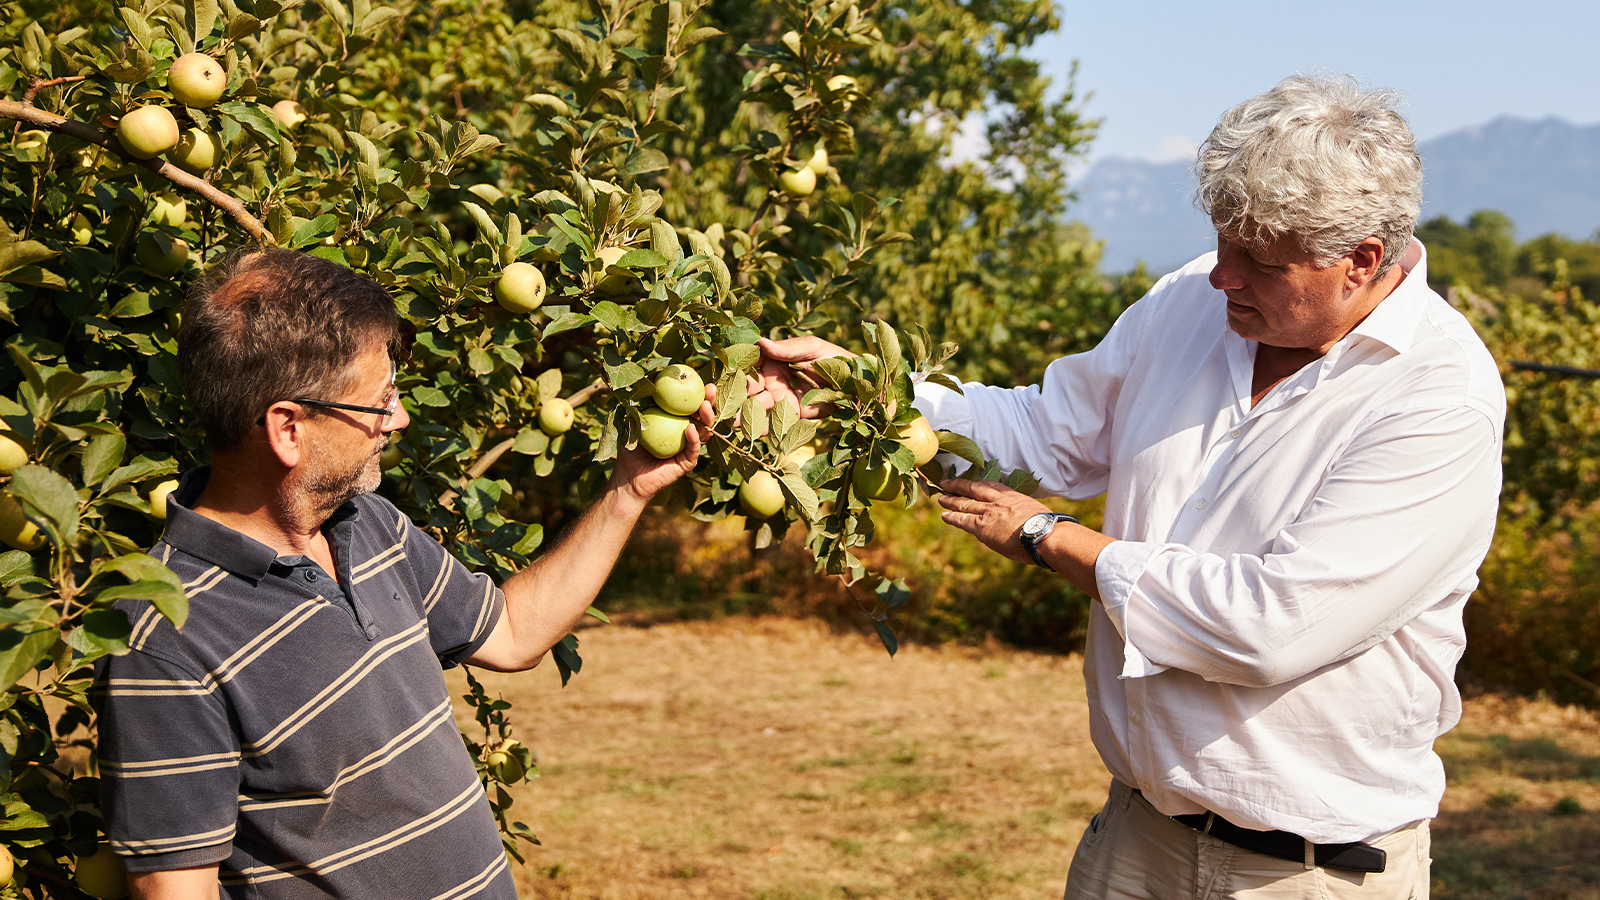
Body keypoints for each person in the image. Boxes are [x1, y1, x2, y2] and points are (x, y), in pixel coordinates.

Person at [757, 75, 1504, 898]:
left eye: (1256, 260)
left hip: (1308, 875)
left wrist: (1051, 539)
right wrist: (868, 395)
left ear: (1360, 261)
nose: (1222, 277)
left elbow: (1270, 628)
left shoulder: (1438, 398)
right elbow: (1047, 434)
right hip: (1137, 837)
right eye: (1222, 243)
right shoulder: (1190, 301)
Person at [93, 248, 707, 899]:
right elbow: (176, 893)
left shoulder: (367, 525)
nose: (400, 418)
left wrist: (628, 491)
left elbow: (514, 631)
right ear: (288, 430)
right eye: (380, 401)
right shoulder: (165, 643)